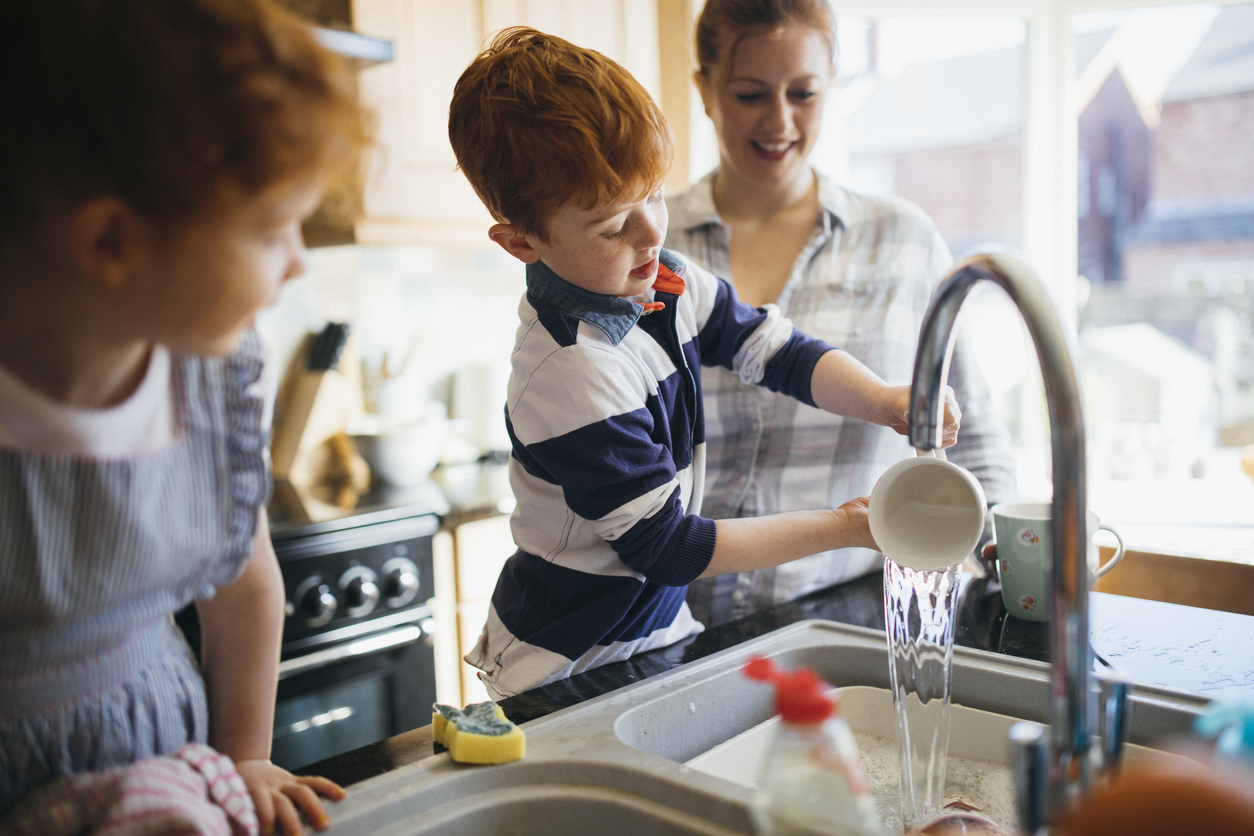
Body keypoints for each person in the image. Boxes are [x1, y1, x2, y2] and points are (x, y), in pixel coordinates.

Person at [446, 27, 961, 699]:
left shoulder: (662, 281)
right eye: (611, 224)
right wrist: (847, 528)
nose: (651, 232)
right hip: (566, 665)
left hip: (654, 640)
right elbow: (671, 548)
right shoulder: (570, 372)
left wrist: (884, 400)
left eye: (654, 195)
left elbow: (778, 351)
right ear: (521, 241)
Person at [0, 0, 371, 832]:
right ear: (111, 245)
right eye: (273, 230)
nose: (297, 263)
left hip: (168, 760)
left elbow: (242, 588)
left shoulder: (211, 375)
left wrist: (243, 757)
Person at [666, 0, 1019, 626]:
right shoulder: (651, 249)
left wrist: (1008, 567)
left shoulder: (903, 241)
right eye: (750, 94)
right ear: (704, 89)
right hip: (676, 624)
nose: (780, 121)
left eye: (803, 93)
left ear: (831, 86)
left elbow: (974, 435)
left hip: (856, 614)